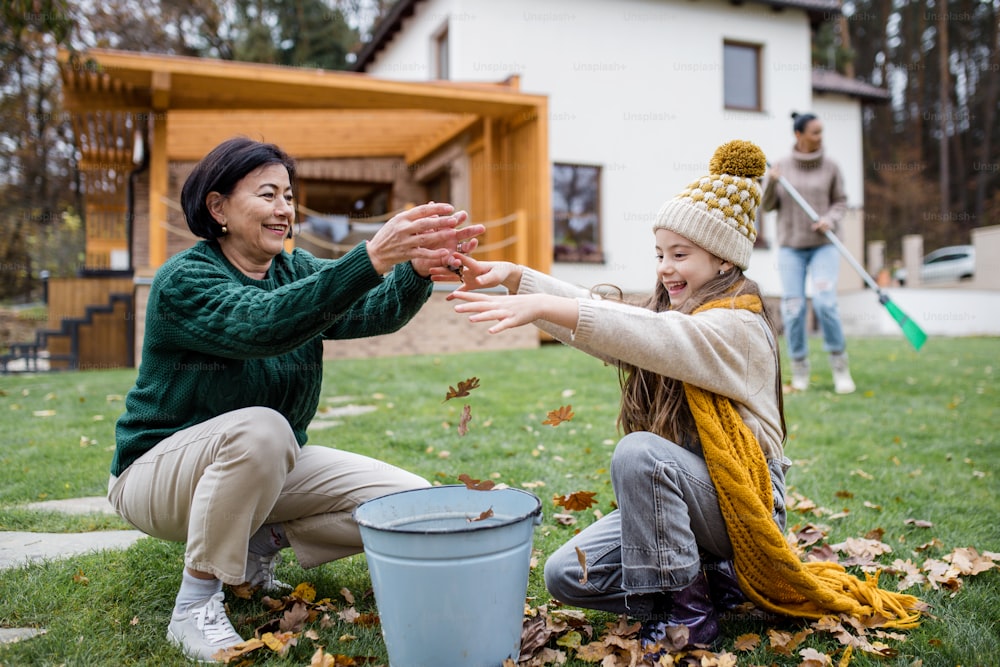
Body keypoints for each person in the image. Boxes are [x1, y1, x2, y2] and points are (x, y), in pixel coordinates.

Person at [443, 140, 922, 653]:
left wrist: (540, 302)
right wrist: (517, 279)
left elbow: (647, 334)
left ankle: (689, 616)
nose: (665, 268)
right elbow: (628, 321)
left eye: (680, 255)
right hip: (688, 497)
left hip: (747, 502)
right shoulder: (678, 314)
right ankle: (719, 583)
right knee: (567, 576)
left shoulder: (738, 325)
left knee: (640, 453)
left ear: (721, 260)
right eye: (659, 254)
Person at [108, 136, 484, 663]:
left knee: (407, 503)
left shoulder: (295, 269)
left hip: (259, 466)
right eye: (267, 195)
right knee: (262, 428)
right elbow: (264, 325)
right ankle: (195, 604)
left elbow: (370, 312)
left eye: (288, 195)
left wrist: (414, 271)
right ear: (217, 207)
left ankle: (256, 547)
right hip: (159, 478)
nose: (284, 209)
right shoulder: (184, 280)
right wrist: (371, 255)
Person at [762, 112, 855, 394]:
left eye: (821, 132)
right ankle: (800, 369)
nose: (820, 137)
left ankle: (840, 367)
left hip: (824, 246)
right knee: (794, 309)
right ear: (799, 135)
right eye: (815, 132)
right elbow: (766, 206)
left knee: (826, 303)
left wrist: (830, 218)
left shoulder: (831, 167)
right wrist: (772, 181)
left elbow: (841, 201)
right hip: (792, 247)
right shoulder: (781, 167)